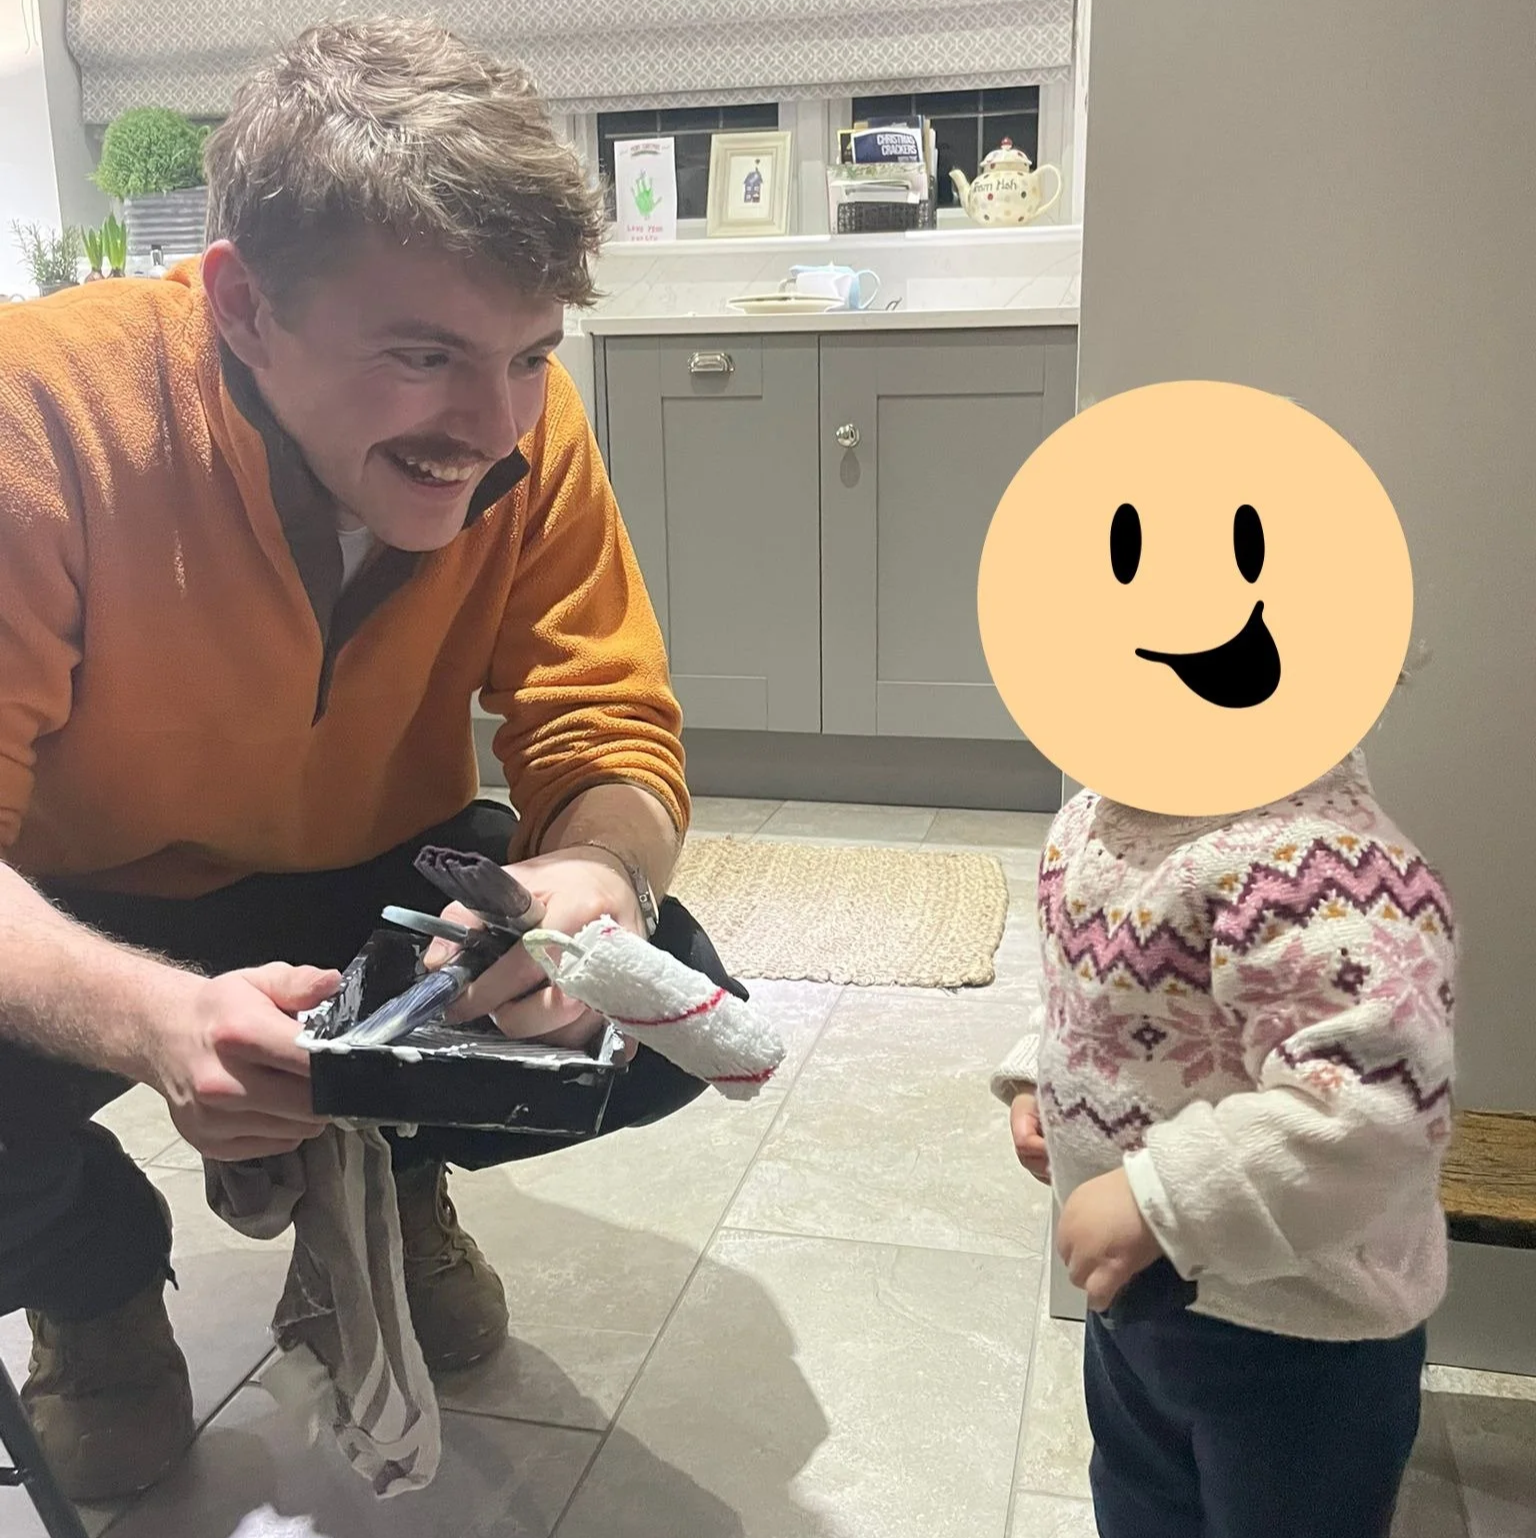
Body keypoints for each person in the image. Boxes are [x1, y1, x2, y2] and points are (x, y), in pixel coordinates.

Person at [0, 16, 721, 1504]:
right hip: (73, 896)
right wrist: (153, 1023)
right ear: (242, 304)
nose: (495, 422)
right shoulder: (39, 418)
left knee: (650, 1016)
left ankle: (386, 1174)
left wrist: (593, 874)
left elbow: (608, 728)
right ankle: (93, 1281)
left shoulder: (527, 432)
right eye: (424, 354)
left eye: (530, 355)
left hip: (371, 882)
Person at [994, 743, 1456, 1538]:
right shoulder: (1094, 819)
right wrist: (1036, 1074)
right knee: (1139, 1498)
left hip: (1299, 1334)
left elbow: (1374, 1112)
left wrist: (1156, 1195)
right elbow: (1087, 994)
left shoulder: (1326, 868)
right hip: (1139, 1301)